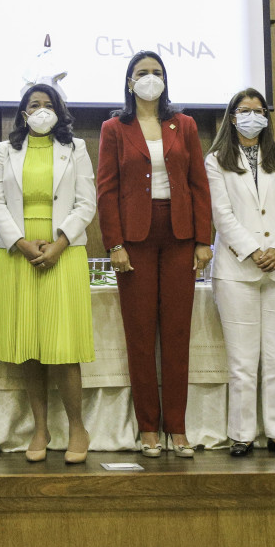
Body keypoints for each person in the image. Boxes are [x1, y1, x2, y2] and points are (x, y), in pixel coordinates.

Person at [96, 51, 211, 458]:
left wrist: (203, 239)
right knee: (141, 336)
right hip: (135, 240)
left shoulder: (186, 124)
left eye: (157, 72)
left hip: (180, 235)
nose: (150, 78)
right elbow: (106, 190)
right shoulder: (114, 128)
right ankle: (148, 427)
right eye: (142, 72)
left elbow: (198, 183)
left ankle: (176, 427)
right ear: (130, 82)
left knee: (177, 335)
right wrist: (115, 244)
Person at [0, 84, 96, 464]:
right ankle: (40, 428)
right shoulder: (5, 150)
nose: (41, 110)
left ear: (60, 112)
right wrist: (20, 242)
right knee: (30, 346)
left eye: (48, 104)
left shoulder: (76, 147)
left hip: (64, 251)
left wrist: (60, 243)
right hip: (19, 253)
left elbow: (86, 202)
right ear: (23, 114)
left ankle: (78, 427)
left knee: (63, 346)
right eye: (34, 105)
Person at [205, 88, 275, 459]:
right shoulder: (216, 160)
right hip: (236, 270)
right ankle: (242, 434)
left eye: (259, 110)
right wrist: (252, 250)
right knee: (243, 361)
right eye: (244, 110)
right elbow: (222, 214)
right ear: (232, 117)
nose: (252, 116)